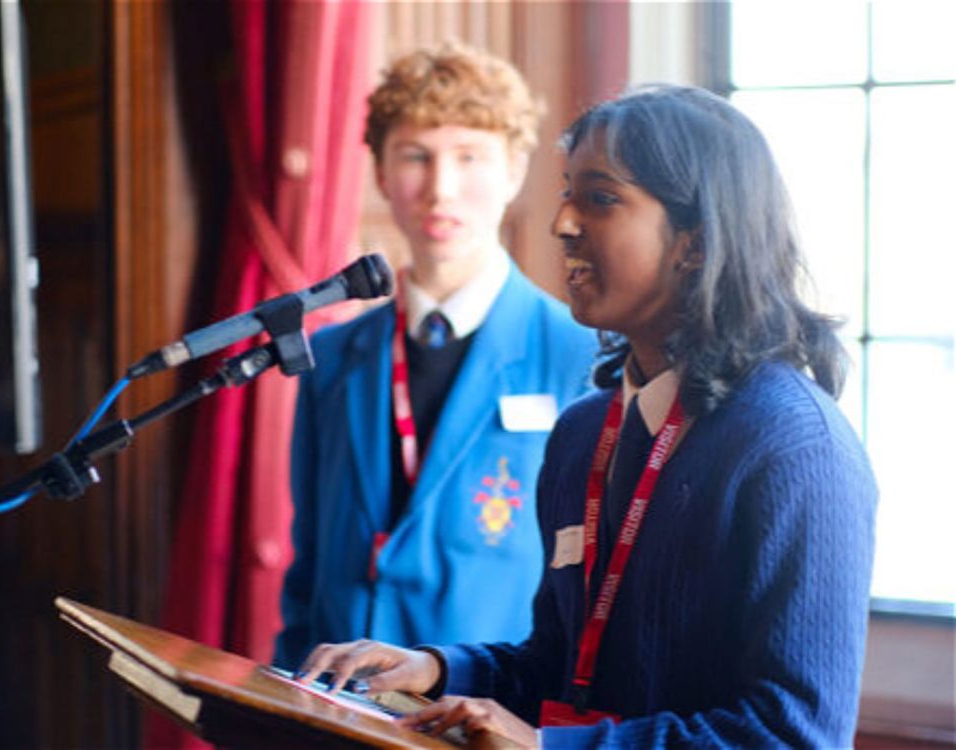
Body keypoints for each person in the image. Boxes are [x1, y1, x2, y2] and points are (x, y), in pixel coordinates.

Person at [293, 85, 878, 749]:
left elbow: (793, 737)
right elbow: (559, 668)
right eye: (568, 193)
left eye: (599, 198)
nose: (562, 223)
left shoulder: (796, 447)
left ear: (694, 240)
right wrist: (436, 669)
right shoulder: (583, 432)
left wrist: (548, 747)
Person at [272, 42, 597, 670]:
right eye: (415, 156)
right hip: (336, 698)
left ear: (514, 171)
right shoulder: (330, 357)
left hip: (482, 700)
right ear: (381, 173)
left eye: (469, 157)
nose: (440, 189)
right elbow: (307, 567)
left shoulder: (580, 357)